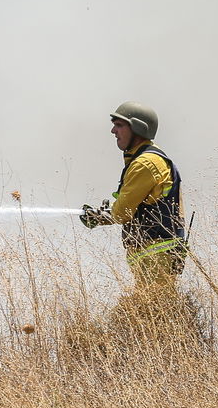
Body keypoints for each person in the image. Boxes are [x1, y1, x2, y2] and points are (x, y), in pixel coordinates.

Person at [80, 101, 198, 350]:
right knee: (152, 316)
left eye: (119, 125)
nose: (113, 131)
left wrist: (100, 217)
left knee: (150, 317)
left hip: (155, 253)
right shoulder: (145, 160)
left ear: (138, 129)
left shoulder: (145, 164)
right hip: (155, 253)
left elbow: (122, 211)